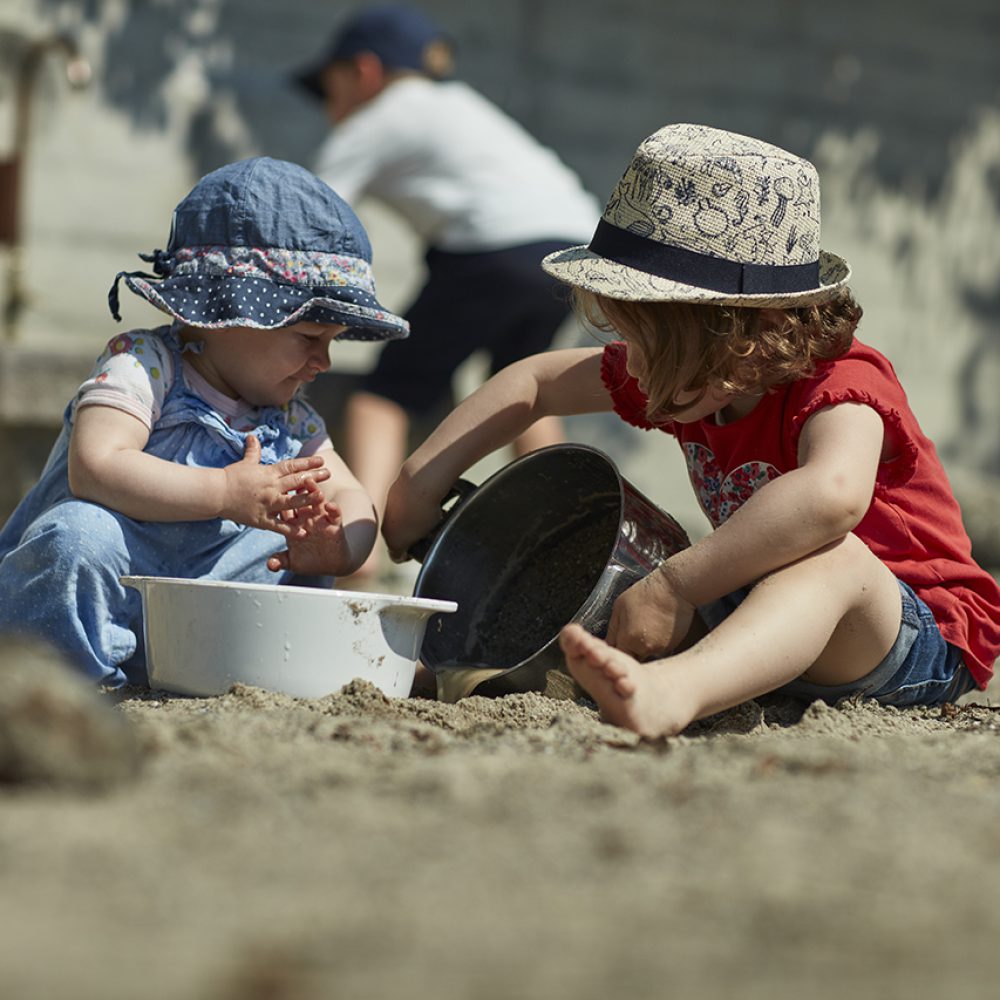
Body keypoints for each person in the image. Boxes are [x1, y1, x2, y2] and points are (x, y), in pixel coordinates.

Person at [380, 123, 1000, 736]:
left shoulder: (842, 385)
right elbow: (534, 385)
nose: (631, 366)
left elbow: (832, 498)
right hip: (766, 624)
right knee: (628, 596)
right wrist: (417, 482)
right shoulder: (690, 371)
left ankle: (678, 691)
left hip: (913, 633)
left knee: (827, 558)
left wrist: (675, 585)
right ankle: (470, 667)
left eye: (644, 344)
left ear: (739, 333)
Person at [0, 156, 408, 687]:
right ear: (223, 316)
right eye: (309, 338)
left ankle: (264, 670)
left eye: (331, 343)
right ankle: (60, 685)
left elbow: (353, 500)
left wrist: (341, 547)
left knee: (288, 548)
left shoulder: (291, 416)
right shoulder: (146, 364)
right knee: (79, 535)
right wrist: (223, 490)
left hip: (205, 620)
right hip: (107, 595)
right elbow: (95, 466)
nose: (324, 362)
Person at [293, 4, 601, 580]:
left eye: (329, 88)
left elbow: (309, 209)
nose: (328, 109)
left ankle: (361, 553)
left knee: (385, 395)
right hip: (571, 251)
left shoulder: (382, 115)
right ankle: (569, 538)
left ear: (364, 72)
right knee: (533, 387)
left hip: (493, 248)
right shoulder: (461, 107)